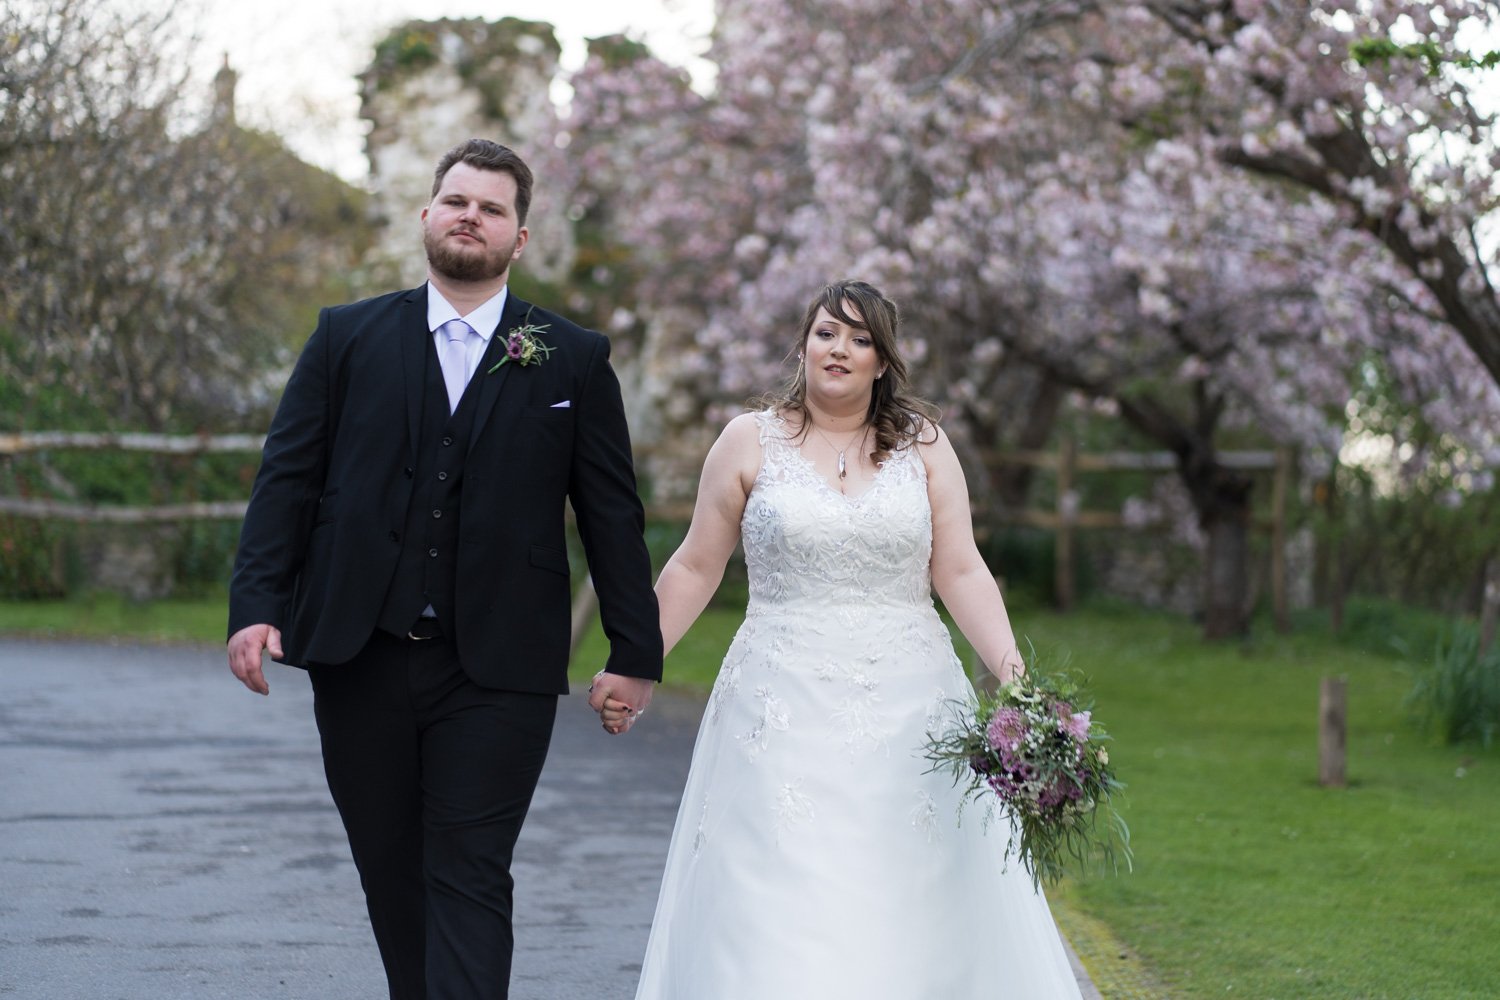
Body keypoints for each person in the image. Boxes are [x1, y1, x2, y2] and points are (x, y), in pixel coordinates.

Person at [226, 138, 662, 1000]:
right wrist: (254, 605)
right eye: (457, 200)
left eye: (492, 207)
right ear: (427, 214)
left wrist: (635, 653)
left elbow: (612, 514)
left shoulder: (570, 356)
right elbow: (288, 480)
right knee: (391, 872)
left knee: (468, 869)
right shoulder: (345, 336)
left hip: (500, 669)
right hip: (360, 653)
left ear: (519, 238)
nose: (471, 216)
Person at [598, 279, 1083, 998]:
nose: (841, 350)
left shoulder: (924, 444)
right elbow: (697, 565)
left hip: (913, 702)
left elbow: (959, 568)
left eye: (861, 340)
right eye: (828, 333)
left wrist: (1018, 686)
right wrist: (635, 665)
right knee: (779, 887)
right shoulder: (747, 440)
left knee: (915, 883)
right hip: (778, 702)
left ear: (882, 362)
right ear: (804, 342)